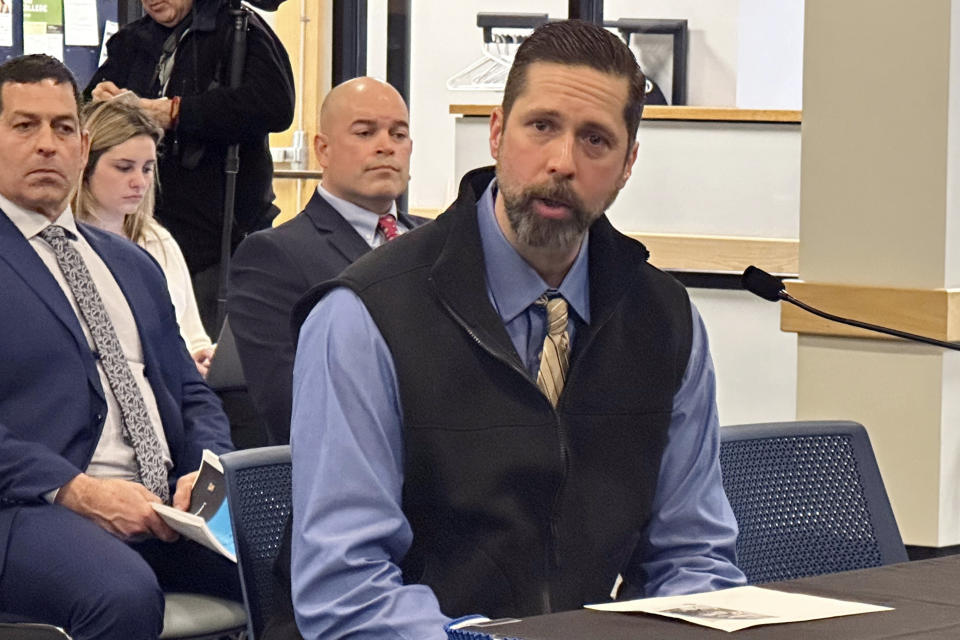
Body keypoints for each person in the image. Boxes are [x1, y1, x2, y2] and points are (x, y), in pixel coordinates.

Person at [288, 20, 747, 639]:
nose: (562, 162)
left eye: (595, 140)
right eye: (541, 127)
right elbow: (345, 592)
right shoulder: (365, 317)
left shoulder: (664, 321)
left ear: (627, 164)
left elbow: (692, 556)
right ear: (498, 133)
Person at [0, 55, 237, 640]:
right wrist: (81, 493)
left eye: (61, 129)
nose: (47, 145)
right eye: (24, 126)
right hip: (35, 504)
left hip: (164, 508)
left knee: (301, 560)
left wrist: (207, 473)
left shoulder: (132, 265)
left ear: (83, 148)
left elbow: (190, 391)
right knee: (122, 593)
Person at [228, 76, 423, 446]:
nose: (386, 146)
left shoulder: (439, 243)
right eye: (365, 133)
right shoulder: (273, 256)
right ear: (323, 150)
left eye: (398, 135)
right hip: (352, 466)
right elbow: (289, 405)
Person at [85, 0, 295, 334]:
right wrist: (99, 99)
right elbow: (87, 111)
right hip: (141, 232)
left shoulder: (240, 29)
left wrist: (177, 113)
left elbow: (274, 105)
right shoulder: (133, 42)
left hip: (221, 239)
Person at [73, 97, 215, 377]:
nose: (139, 182)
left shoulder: (156, 240)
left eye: (147, 168)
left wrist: (203, 357)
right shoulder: (60, 242)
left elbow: (192, 333)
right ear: (85, 165)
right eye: (124, 168)